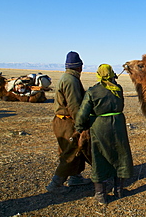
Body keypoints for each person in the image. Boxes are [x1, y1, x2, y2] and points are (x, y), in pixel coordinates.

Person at [75, 64, 133, 204]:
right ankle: (119, 190)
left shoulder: (92, 92)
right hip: (118, 126)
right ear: (112, 74)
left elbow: (82, 114)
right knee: (120, 155)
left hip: (100, 127)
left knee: (100, 157)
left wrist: (80, 127)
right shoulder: (118, 89)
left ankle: (101, 195)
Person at [46, 51, 91, 193]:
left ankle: (75, 178)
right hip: (68, 122)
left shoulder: (68, 77)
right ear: (79, 67)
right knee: (71, 150)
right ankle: (55, 184)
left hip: (63, 121)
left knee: (76, 149)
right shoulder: (71, 81)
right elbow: (74, 106)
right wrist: (81, 125)